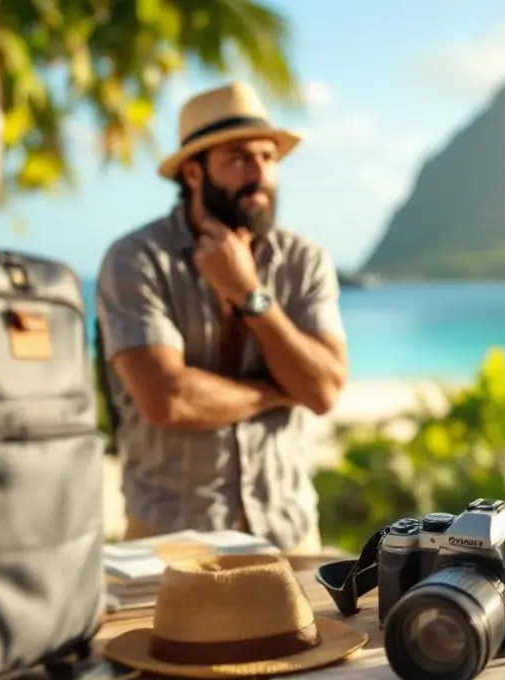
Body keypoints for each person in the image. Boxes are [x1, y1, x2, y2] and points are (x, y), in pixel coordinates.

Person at [95, 81, 348, 554]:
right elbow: (168, 399)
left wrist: (250, 294)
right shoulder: (137, 260)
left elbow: (324, 388)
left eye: (268, 157)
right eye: (238, 158)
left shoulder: (304, 260)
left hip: (288, 536)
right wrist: (277, 391)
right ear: (193, 174)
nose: (260, 173)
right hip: (168, 544)